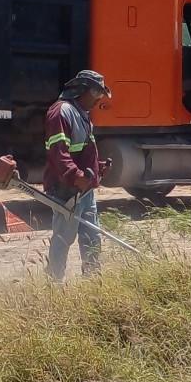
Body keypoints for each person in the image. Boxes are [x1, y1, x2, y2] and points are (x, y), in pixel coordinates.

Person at [44, 70, 112, 281]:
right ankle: (54, 284)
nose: (99, 100)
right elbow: (58, 152)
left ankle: (92, 281)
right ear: (82, 90)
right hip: (66, 189)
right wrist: (76, 176)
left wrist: (97, 167)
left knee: (92, 237)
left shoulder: (82, 114)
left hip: (85, 190)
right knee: (63, 238)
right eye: (96, 94)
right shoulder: (61, 112)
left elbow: (81, 151)